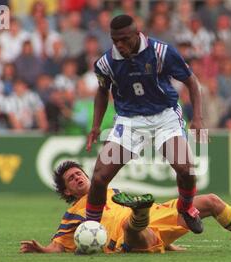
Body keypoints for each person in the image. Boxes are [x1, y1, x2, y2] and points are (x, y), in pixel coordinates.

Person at [85, 14, 206, 234]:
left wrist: (197, 117)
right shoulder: (105, 63)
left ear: (137, 34)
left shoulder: (161, 52)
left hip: (164, 117)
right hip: (130, 121)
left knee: (185, 169)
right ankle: (91, 227)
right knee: (100, 176)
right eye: (115, 41)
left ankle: (186, 208)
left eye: (124, 40)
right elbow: (102, 91)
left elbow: (192, 81)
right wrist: (96, 125)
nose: (119, 45)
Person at [20, 161, 231, 254]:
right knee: (129, 224)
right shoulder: (74, 213)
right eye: (71, 179)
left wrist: (170, 243)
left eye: (79, 173)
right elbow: (58, 245)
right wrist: (41, 249)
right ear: (67, 191)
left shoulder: (111, 192)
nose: (78, 177)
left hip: (158, 216)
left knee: (211, 201)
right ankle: (140, 213)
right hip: (127, 241)